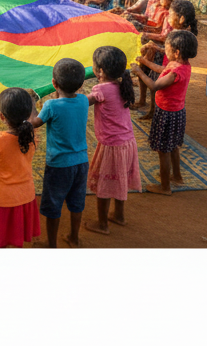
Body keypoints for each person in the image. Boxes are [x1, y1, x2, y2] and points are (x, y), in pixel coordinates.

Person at [29, 58, 89, 249]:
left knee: (53, 204)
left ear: (54, 83)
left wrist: (32, 103)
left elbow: (35, 123)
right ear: (81, 84)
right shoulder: (84, 100)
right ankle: (74, 238)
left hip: (59, 165)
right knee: (77, 202)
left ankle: (51, 244)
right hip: (81, 162)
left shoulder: (50, 106)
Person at [84, 45, 141, 235]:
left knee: (105, 183)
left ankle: (102, 224)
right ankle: (119, 215)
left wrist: (66, 95)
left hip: (112, 145)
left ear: (99, 71)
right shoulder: (122, 85)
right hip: (127, 143)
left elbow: (84, 102)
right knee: (119, 179)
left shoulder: (101, 89)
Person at [0, 88, 41, 248]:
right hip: (25, 194)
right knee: (17, 232)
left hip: (4, 197)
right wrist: (32, 102)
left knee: (2, 236)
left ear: (2, 117)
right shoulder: (31, 136)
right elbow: (34, 117)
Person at [133, 29, 197, 195]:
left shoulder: (176, 72)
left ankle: (165, 187)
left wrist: (139, 72)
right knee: (173, 146)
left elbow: (154, 86)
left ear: (176, 52)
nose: (164, 51)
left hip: (167, 114)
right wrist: (144, 62)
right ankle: (177, 177)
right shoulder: (181, 65)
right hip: (177, 112)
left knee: (163, 150)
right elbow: (161, 69)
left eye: (167, 48)